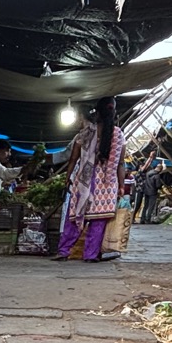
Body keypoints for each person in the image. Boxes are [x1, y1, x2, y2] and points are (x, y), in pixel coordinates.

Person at [54, 97, 125, 263]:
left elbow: (73, 159)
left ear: (97, 112)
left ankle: (64, 251)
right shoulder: (119, 135)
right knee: (98, 220)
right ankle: (90, 255)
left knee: (74, 217)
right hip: (107, 184)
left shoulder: (85, 133)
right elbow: (120, 163)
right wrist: (121, 186)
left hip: (84, 181)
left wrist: (67, 178)